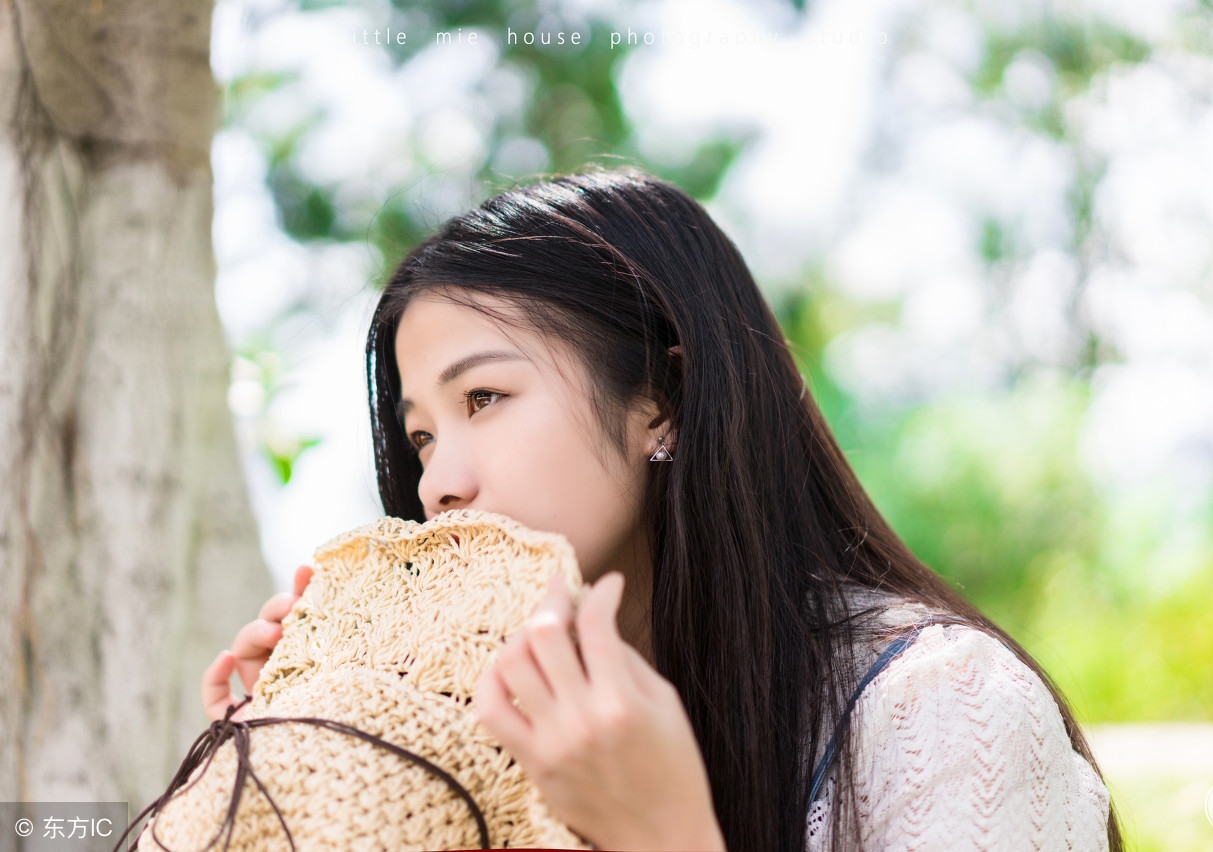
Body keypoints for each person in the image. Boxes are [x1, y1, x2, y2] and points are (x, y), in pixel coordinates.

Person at [201, 168, 1123, 851]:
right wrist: (307, 758)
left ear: (663, 403)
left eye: (483, 398)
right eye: (423, 437)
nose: (440, 483)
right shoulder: (498, 736)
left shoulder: (938, 705)